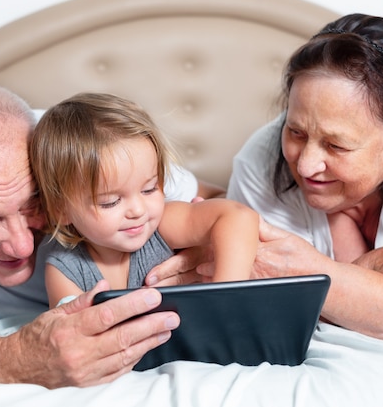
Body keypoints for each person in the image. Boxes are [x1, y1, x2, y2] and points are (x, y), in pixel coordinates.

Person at [0, 83, 219, 388]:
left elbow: (215, 198)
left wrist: (199, 255)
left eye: (36, 203)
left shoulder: (76, 149)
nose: (23, 245)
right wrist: (8, 360)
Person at [220, 13, 383, 342]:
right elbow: (262, 301)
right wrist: (378, 263)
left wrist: (311, 276)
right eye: (296, 131)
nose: (305, 165)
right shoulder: (262, 157)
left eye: (336, 145)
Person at [29, 93, 258, 307]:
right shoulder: (65, 271)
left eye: (149, 189)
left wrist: (225, 300)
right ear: (61, 210)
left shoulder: (162, 225)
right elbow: (73, 340)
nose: (138, 210)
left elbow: (238, 216)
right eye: (110, 202)